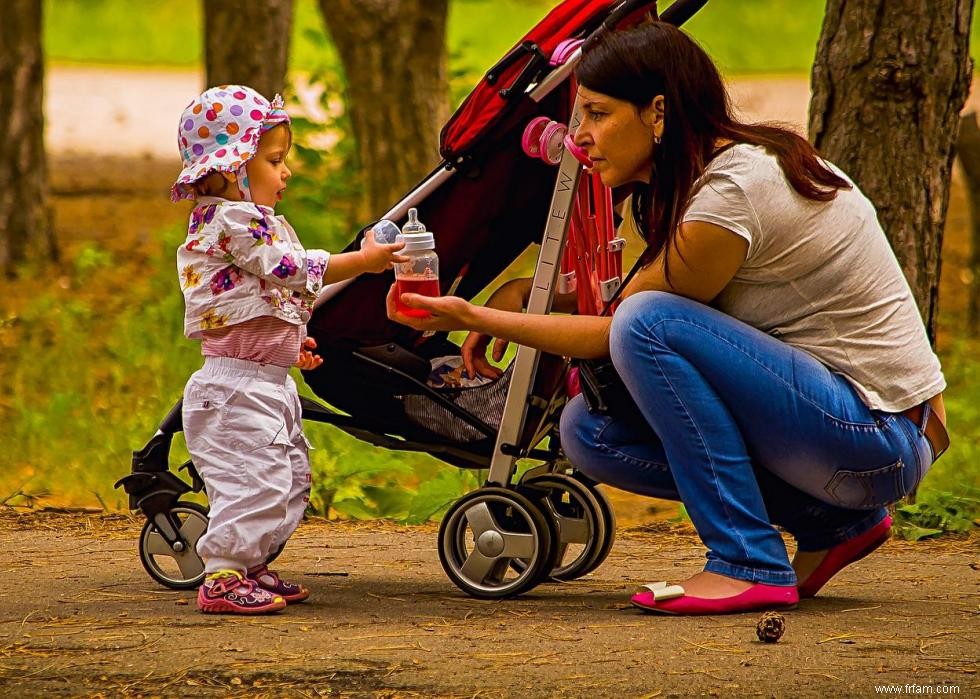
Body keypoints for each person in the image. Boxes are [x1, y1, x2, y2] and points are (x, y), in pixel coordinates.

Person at [387, 23, 949, 615]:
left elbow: (624, 325)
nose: (580, 137)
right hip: (845, 435)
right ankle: (834, 525)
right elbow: (634, 298)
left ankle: (747, 562)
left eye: (598, 114)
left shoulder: (734, 193)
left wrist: (473, 313)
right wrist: (525, 295)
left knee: (647, 325)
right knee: (588, 433)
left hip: (879, 436)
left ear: (658, 113)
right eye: (579, 116)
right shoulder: (708, 180)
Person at [173, 85, 406, 614]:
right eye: (275, 160)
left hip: (265, 382)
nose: (287, 173)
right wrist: (360, 263)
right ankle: (222, 575)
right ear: (231, 169)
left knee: (287, 476)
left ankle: (251, 564)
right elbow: (290, 270)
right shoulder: (230, 221)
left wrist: (291, 344)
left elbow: (267, 296)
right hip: (233, 388)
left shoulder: (253, 224)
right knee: (252, 480)